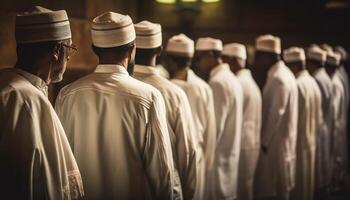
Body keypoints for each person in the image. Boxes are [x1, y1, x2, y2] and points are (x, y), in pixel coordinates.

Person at [55, 12, 175, 199]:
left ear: (95, 48)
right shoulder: (149, 96)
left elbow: (60, 162)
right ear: (132, 49)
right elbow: (161, 170)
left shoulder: (67, 94)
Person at [0, 6, 84, 199]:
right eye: (69, 49)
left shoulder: (8, 85)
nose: (69, 57)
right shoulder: (26, 100)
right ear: (57, 50)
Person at [133, 20, 197, 200]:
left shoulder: (111, 88)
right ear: (160, 50)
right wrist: (188, 192)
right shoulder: (174, 93)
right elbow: (187, 151)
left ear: (131, 48)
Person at [165, 33, 217, 200]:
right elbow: (211, 133)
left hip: (170, 163)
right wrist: (206, 165)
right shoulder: (204, 88)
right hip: (199, 161)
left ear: (170, 61)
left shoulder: (164, 90)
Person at [193, 37, 243, 200]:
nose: (198, 63)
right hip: (228, 158)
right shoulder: (231, 78)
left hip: (217, 163)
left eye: (199, 58)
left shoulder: (218, 82)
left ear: (210, 55)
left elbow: (214, 130)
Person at [253, 35, 298, 200]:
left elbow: (275, 114)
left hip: (273, 146)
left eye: (258, 56)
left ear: (266, 56)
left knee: (274, 191)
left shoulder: (278, 78)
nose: (256, 62)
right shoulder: (283, 74)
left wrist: (263, 142)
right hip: (278, 143)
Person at [221, 43, 261, 200]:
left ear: (232, 60)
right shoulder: (250, 82)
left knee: (241, 190)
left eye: (224, 59)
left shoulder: (238, 83)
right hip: (250, 145)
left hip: (241, 146)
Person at [283, 47, 322, 200]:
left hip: (299, 143)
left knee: (299, 188)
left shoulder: (298, 85)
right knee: (307, 186)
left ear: (295, 66)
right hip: (311, 141)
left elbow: (292, 121)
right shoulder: (312, 82)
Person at [306, 45, 333, 198]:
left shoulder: (317, 78)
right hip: (323, 124)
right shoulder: (325, 77)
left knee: (318, 167)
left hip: (318, 125)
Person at [325, 49, 348, 187]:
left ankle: (334, 181)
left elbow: (333, 111)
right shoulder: (339, 79)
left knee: (335, 154)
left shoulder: (334, 83)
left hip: (335, 124)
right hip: (338, 122)